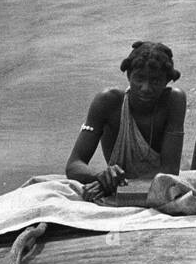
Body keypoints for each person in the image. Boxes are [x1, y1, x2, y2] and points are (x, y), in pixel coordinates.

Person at [67, 42, 188, 200]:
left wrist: (112, 185)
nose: (145, 87)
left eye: (155, 81)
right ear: (129, 75)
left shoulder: (173, 101)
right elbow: (74, 165)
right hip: (121, 184)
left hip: (157, 185)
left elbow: (168, 173)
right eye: (139, 78)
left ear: (166, 82)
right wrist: (100, 176)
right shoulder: (107, 102)